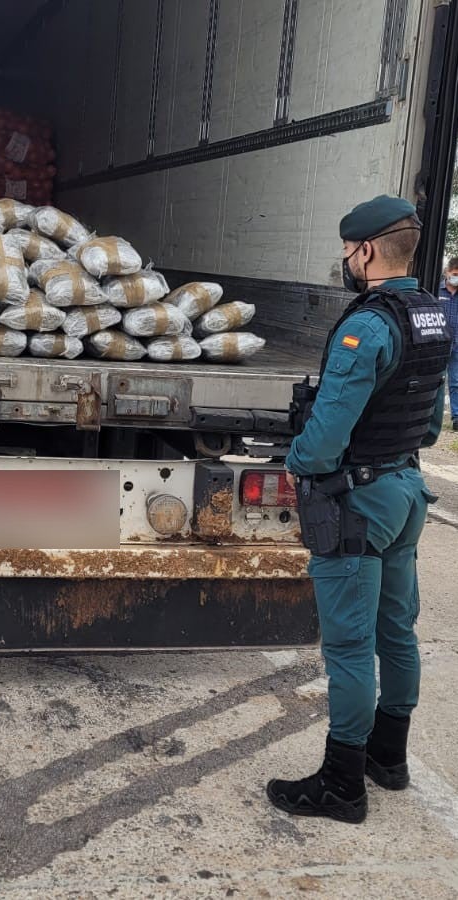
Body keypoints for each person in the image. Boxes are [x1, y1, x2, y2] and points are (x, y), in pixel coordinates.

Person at [268, 195, 451, 824]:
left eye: (348, 251)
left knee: (349, 648)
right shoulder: (432, 315)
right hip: (405, 491)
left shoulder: (366, 327)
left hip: (358, 504)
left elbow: (324, 439)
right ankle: (388, 759)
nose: (346, 260)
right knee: (397, 631)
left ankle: (342, 785)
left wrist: (296, 461)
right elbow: (432, 425)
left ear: (367, 250)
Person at [439, 256, 458, 429]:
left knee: (456, 381)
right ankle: (430, 414)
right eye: (455, 274)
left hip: (457, 344)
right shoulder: (435, 291)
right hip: (438, 344)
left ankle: (456, 417)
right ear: (447, 272)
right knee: (434, 379)